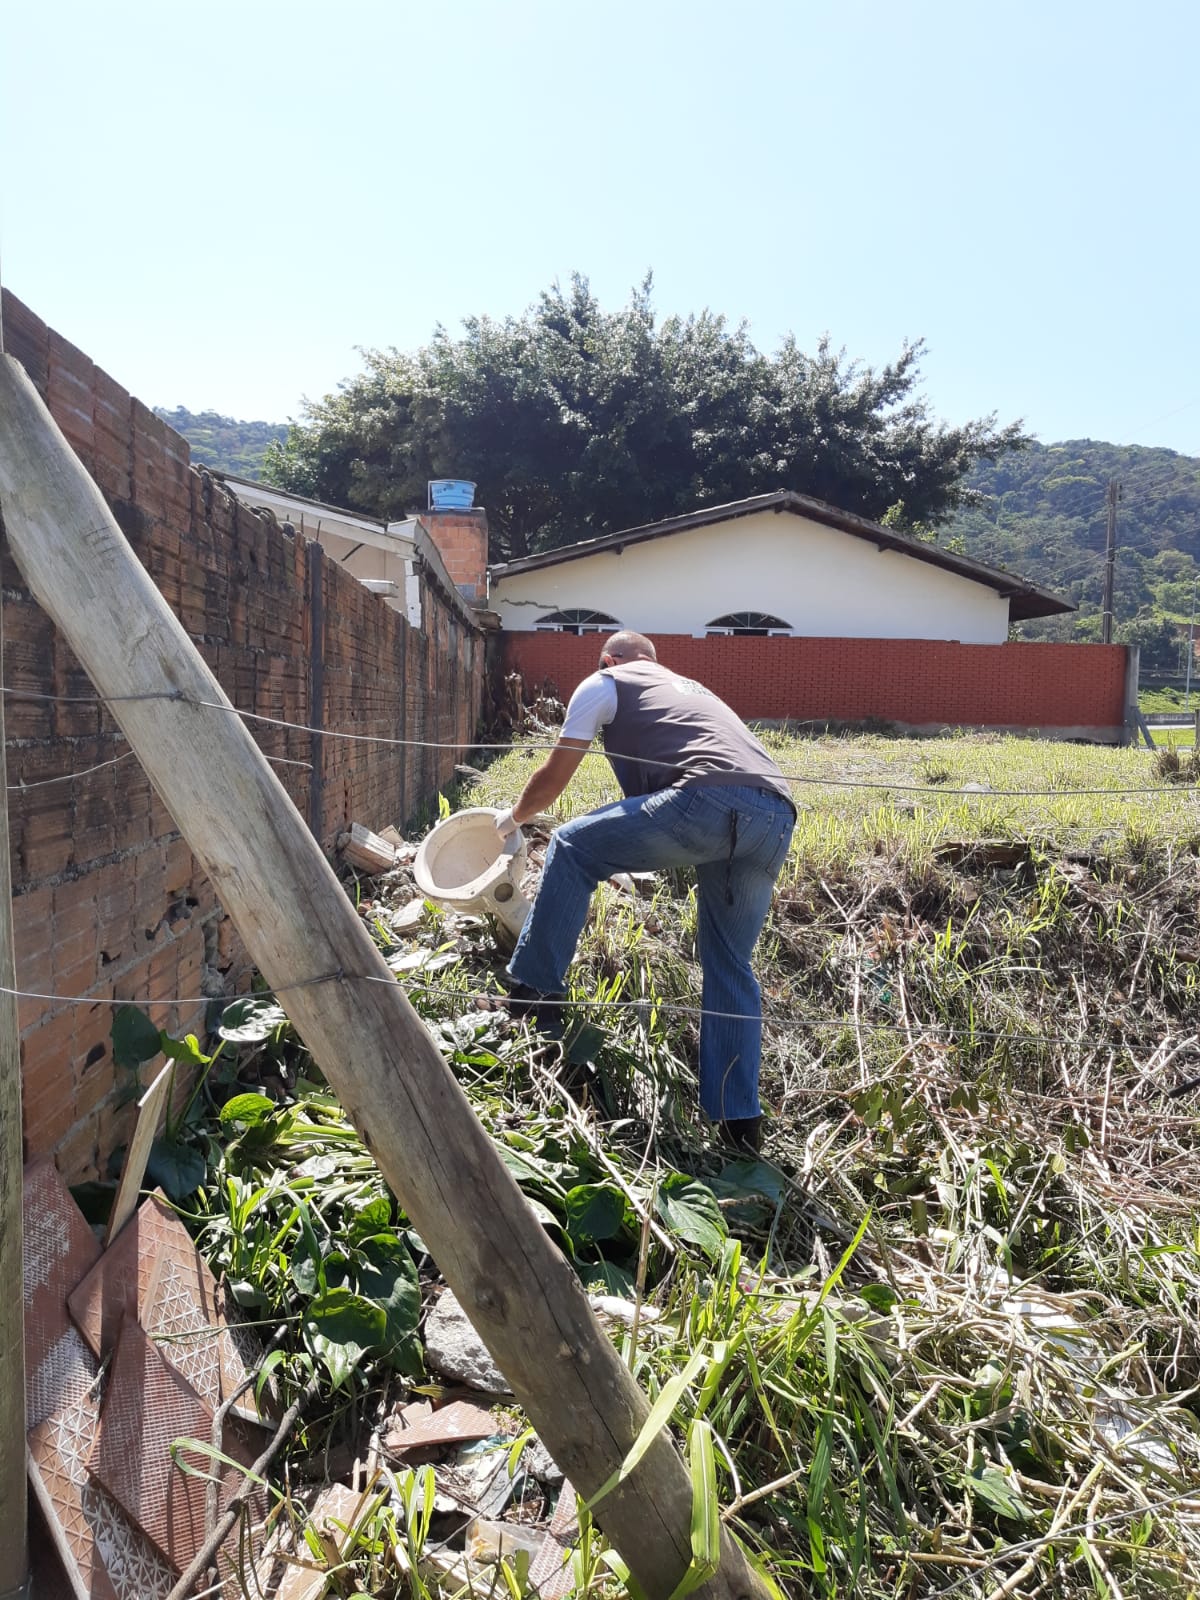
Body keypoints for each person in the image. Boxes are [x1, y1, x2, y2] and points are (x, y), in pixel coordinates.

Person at [494, 631, 795, 1152]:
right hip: (775, 814)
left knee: (571, 844)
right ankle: (739, 1127)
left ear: (609, 658)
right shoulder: (690, 688)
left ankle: (531, 1000)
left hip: (707, 803)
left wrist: (514, 817)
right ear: (654, 661)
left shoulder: (605, 680)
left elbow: (556, 773)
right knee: (729, 962)